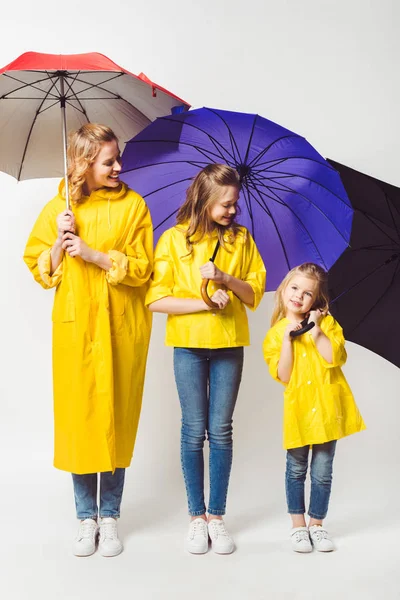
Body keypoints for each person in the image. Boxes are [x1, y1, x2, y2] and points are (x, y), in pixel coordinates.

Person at [23, 123, 153, 557]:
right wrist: (60, 243)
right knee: (81, 423)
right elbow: (39, 269)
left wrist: (95, 255)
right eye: (108, 161)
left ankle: (111, 515)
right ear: (83, 164)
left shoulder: (134, 206)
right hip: (78, 330)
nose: (119, 166)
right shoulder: (59, 207)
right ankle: (85, 518)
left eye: (118, 158)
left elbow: (143, 269)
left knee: (115, 418)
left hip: (120, 327)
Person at [145, 164, 266, 554]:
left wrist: (226, 280)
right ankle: (196, 517)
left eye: (235, 204)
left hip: (229, 344)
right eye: (226, 204)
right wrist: (202, 300)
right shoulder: (173, 240)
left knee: (221, 431)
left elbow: (254, 295)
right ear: (204, 200)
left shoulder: (241, 239)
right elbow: (156, 299)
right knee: (193, 431)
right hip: (189, 346)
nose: (233, 210)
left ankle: (217, 516)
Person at [263, 263, 366, 553]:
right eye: (294, 288)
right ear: (284, 289)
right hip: (299, 412)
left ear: (316, 300)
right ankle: (298, 526)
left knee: (322, 471)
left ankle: (316, 525)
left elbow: (335, 358)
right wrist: (287, 339)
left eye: (307, 293)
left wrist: (317, 330)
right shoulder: (274, 336)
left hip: (326, 410)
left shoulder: (327, 325)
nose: (298, 296)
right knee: (296, 469)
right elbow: (283, 375)